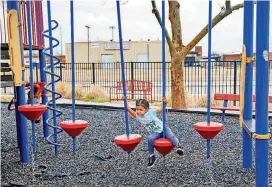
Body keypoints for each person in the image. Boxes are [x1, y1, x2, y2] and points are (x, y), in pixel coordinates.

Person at [124, 97, 184, 168]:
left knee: (171, 136)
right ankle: (151, 156)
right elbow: (129, 109)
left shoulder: (151, 112)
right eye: (137, 109)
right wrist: (125, 100)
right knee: (150, 138)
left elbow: (161, 109)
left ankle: (178, 147)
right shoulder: (137, 116)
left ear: (146, 110)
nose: (138, 111)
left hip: (163, 129)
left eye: (141, 109)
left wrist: (165, 103)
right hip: (155, 132)